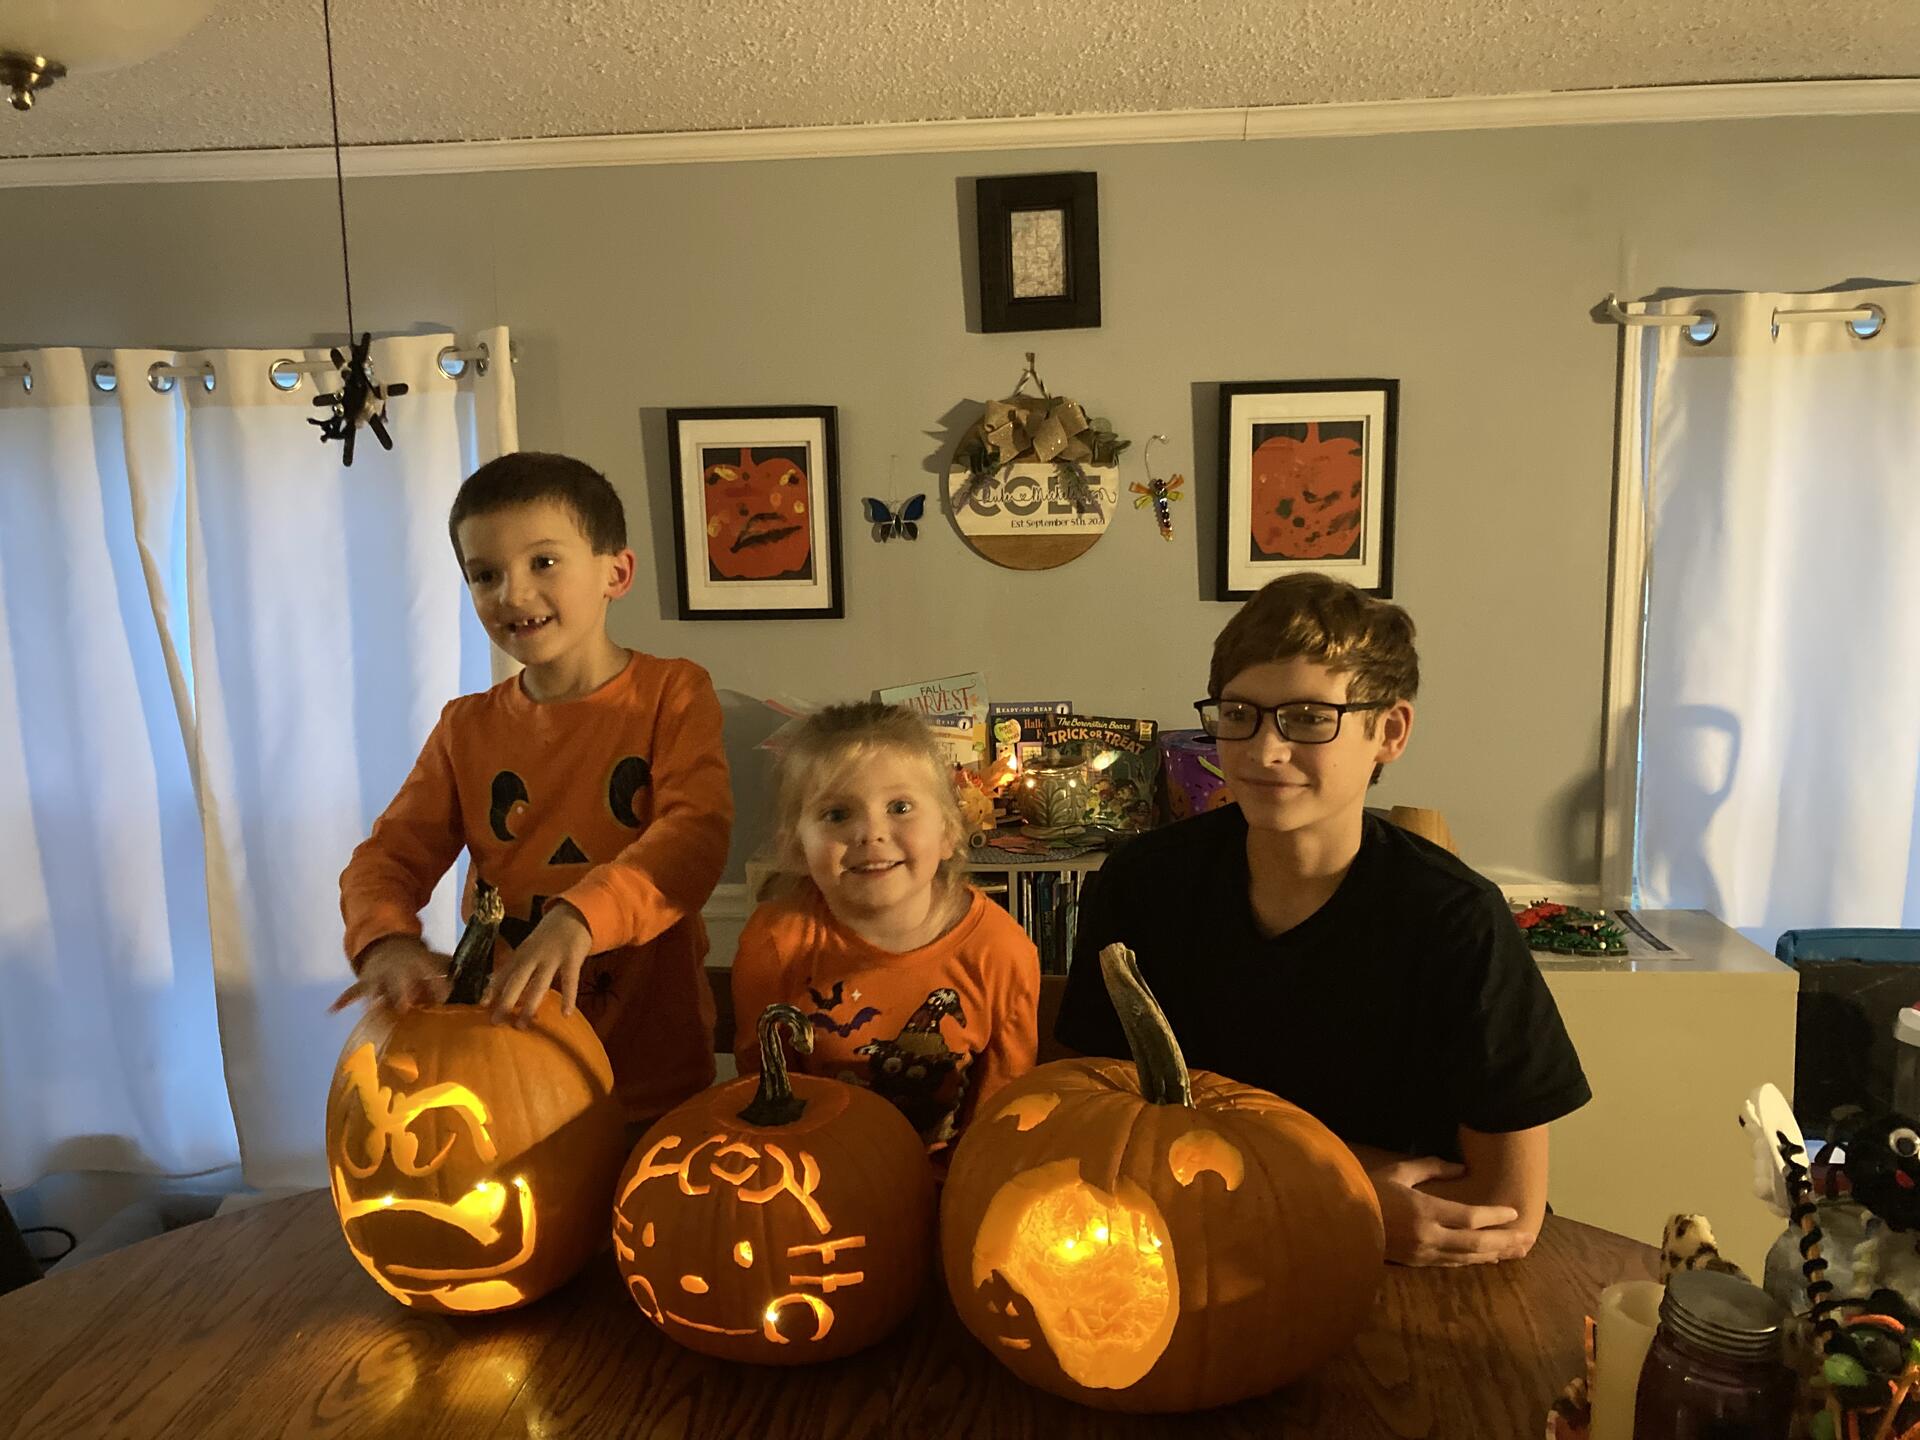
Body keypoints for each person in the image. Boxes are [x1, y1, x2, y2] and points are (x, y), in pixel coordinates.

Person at [1053, 572, 1589, 1266]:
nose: (1265, 750)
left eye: (1308, 718)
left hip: (1406, 1278)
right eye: (1240, 713)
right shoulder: (1143, 882)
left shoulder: (1457, 920)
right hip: (1201, 1249)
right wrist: (1332, 1195)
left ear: (1388, 732)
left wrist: (1210, 1155)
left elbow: (1507, 1211)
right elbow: (1083, 1121)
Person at [334, 451, 733, 1124]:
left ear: (616, 572)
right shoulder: (466, 728)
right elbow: (388, 857)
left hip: (653, 1065)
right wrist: (386, 941)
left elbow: (694, 838)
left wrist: (579, 916)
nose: (512, 594)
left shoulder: (673, 694)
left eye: (543, 563)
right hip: (512, 1065)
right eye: (485, 574)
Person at [731, 702, 1038, 1157]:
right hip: (812, 1182)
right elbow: (767, 1102)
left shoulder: (1001, 951)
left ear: (949, 831)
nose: (871, 833)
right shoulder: (774, 944)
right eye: (837, 814)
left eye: (900, 807)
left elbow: (1000, 1125)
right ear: (795, 846)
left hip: (951, 1190)